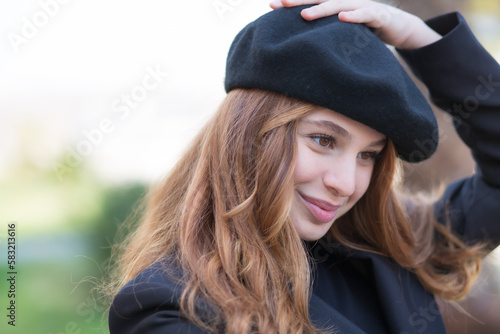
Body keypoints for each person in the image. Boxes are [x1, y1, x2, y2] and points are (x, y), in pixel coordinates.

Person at [106, 0, 500, 333]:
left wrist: (419, 38)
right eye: (324, 140)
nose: (345, 184)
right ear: (248, 136)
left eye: (369, 155)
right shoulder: (171, 306)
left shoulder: (393, 244)